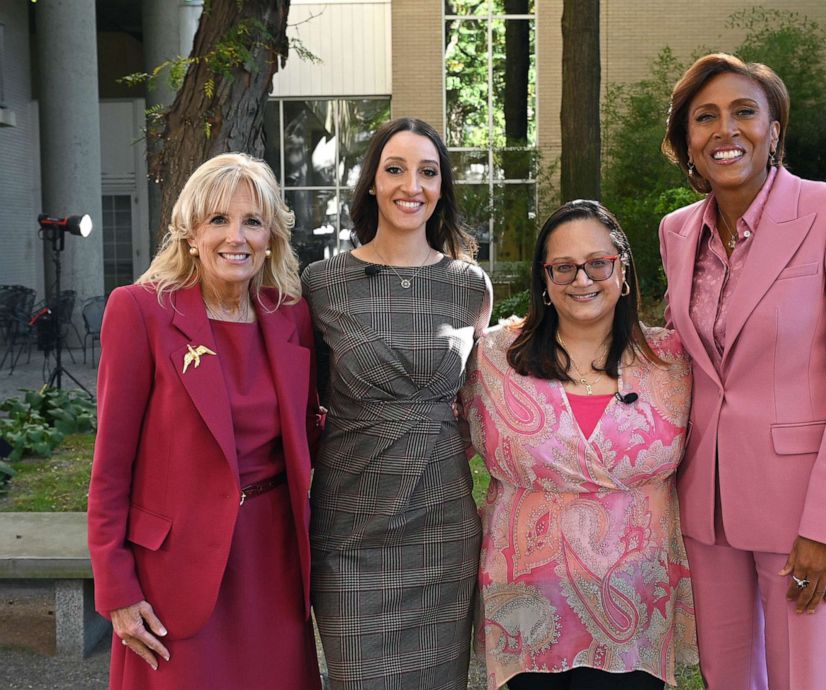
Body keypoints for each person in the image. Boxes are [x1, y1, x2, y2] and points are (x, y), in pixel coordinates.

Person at [657, 53, 826, 689]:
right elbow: (686, 355)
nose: (724, 131)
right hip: (709, 511)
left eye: (744, 112)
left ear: (775, 129)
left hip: (805, 511)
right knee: (727, 679)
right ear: (686, 142)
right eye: (704, 118)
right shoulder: (677, 232)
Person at [87, 153, 323, 690]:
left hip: (274, 565)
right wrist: (117, 588)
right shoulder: (140, 311)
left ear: (271, 238)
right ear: (190, 232)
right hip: (173, 572)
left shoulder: (291, 316)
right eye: (218, 219)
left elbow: (311, 432)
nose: (235, 237)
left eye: (252, 221)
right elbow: (110, 470)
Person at [461, 200, 697, 690]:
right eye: (563, 267)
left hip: (639, 609)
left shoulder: (672, 362)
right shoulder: (494, 360)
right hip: (527, 611)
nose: (581, 279)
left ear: (623, 270)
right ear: (544, 281)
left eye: (598, 263)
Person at [303, 117, 493, 690]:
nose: (412, 185)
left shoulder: (469, 285)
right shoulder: (322, 283)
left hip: (442, 522)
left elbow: (481, 398)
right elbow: (299, 397)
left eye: (428, 172)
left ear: (441, 188)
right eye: (395, 169)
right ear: (372, 184)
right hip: (351, 525)